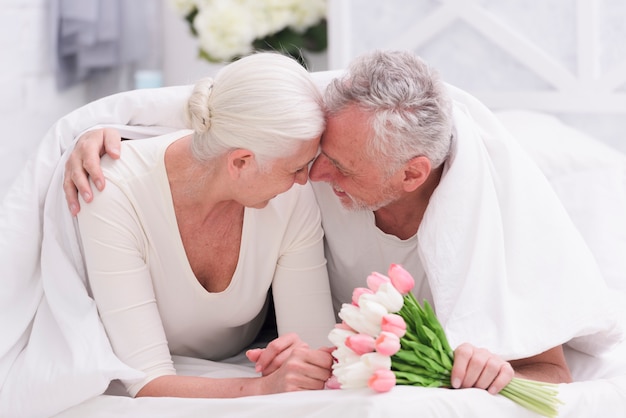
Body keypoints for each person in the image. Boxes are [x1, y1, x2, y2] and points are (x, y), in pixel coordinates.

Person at [64, 50, 622, 396]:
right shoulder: (331, 143)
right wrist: (108, 128)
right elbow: (238, 110)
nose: (314, 173)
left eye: (340, 166)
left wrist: (496, 370)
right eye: (317, 154)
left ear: (411, 175)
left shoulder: (494, 209)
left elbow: (553, 373)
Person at [7, 52, 337, 410]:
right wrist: (260, 390)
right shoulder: (111, 190)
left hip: (237, 355)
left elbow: (313, 350)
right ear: (241, 162)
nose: (308, 179)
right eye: (296, 169)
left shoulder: (292, 195)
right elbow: (146, 380)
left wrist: (300, 361)